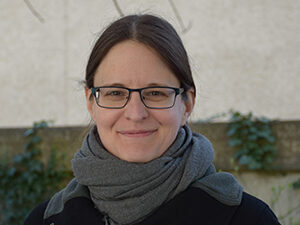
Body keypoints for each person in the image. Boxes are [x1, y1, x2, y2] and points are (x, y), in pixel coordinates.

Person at [24, 14, 281, 225]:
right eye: (115, 93)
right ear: (91, 102)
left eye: (156, 93)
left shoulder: (248, 219)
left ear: (187, 103)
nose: (136, 114)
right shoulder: (45, 220)